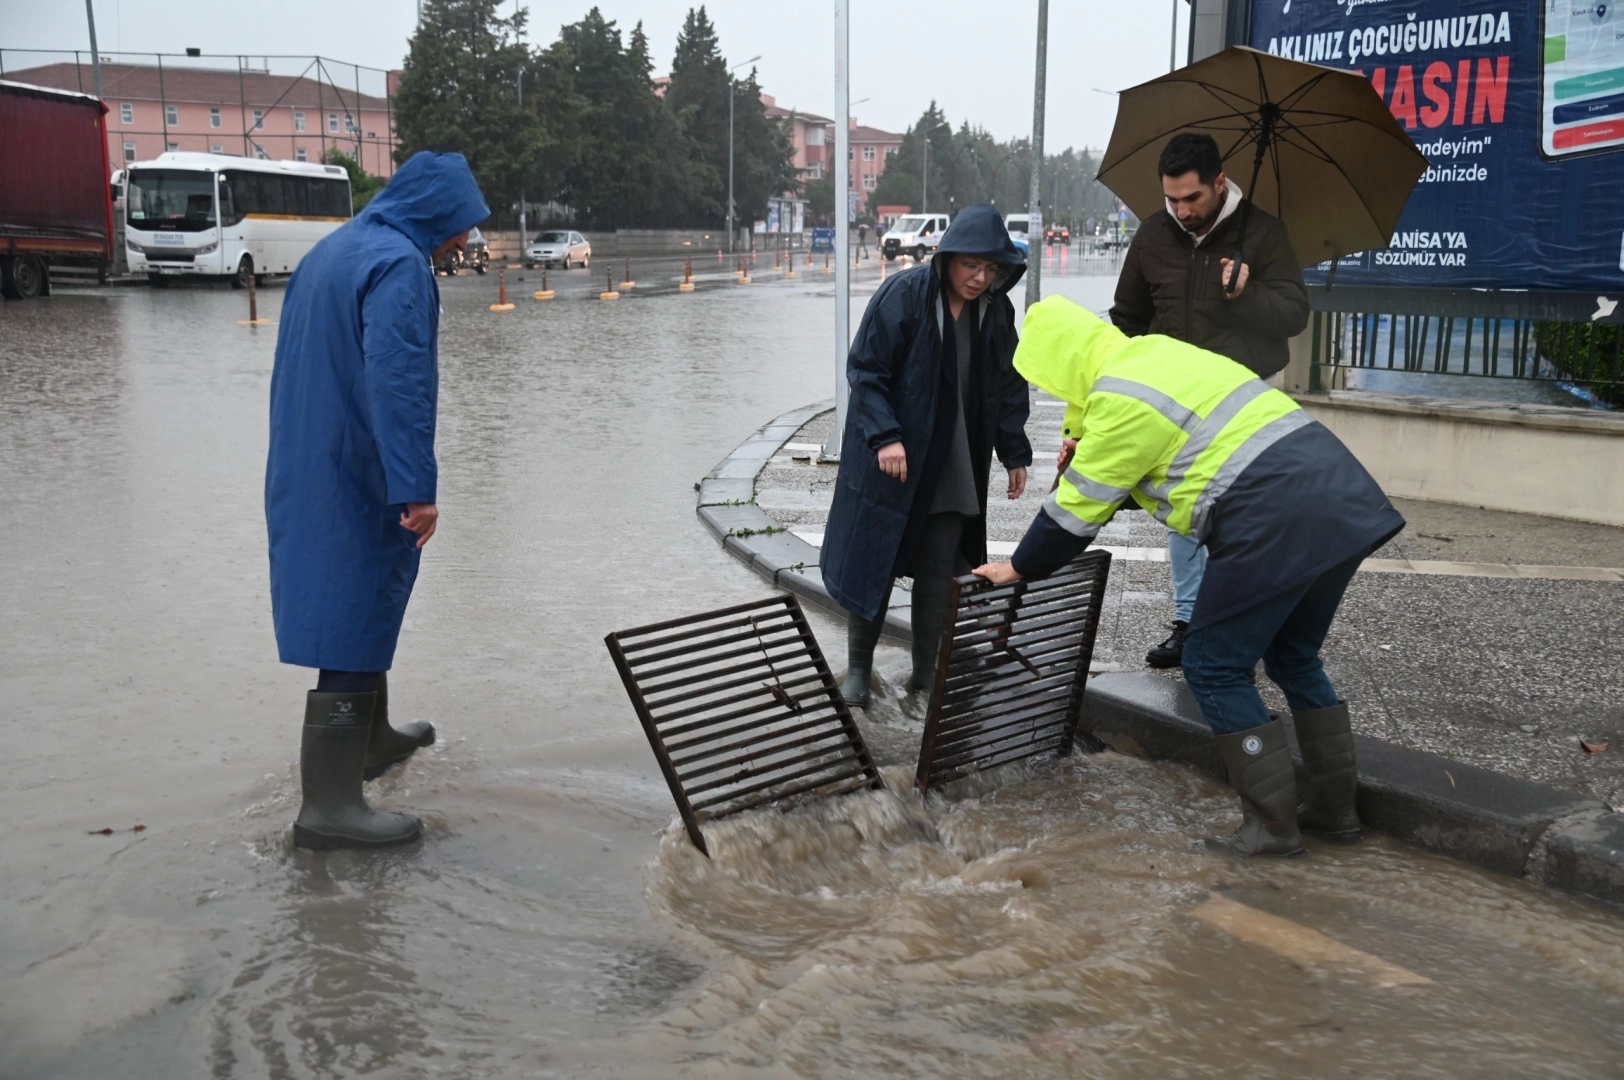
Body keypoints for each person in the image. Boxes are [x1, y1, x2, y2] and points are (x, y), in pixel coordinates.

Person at [976, 297, 1403, 855]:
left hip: (1270, 515)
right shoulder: (1157, 355)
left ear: (1059, 364)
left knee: (1213, 665)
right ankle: (1335, 810)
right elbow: (1183, 461)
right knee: (1294, 657)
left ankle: (1272, 829)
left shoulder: (1119, 400)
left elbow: (1072, 515)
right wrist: (1098, 460)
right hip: (1342, 500)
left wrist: (1018, 566)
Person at [266, 151, 489, 851]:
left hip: (309, 457)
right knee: (351, 609)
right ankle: (329, 807)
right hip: (359, 469)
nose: (463, 240)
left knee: (360, 603)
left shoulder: (335, 250)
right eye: (462, 223)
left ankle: (372, 740)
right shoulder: (399, 266)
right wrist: (416, 486)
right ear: (438, 213)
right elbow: (400, 382)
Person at [1099, 132, 1309, 670]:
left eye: (1192, 198)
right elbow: (1126, 321)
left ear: (1219, 183)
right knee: (1185, 511)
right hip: (1177, 402)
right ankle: (1190, 624)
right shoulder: (1153, 234)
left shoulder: (1264, 233)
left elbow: (1294, 314)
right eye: (1172, 199)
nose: (1182, 210)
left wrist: (1246, 294)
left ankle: (1241, 623)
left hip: (1244, 399)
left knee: (1241, 516)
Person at [822, 204, 1033, 707]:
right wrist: (885, 436)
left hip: (955, 459)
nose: (979, 278)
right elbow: (866, 371)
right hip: (892, 455)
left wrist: (1014, 451)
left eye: (991, 269)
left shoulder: (996, 311)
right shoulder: (905, 294)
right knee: (873, 556)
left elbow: (1008, 384)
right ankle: (858, 671)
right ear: (947, 258)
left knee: (940, 565)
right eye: (970, 266)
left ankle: (925, 675)